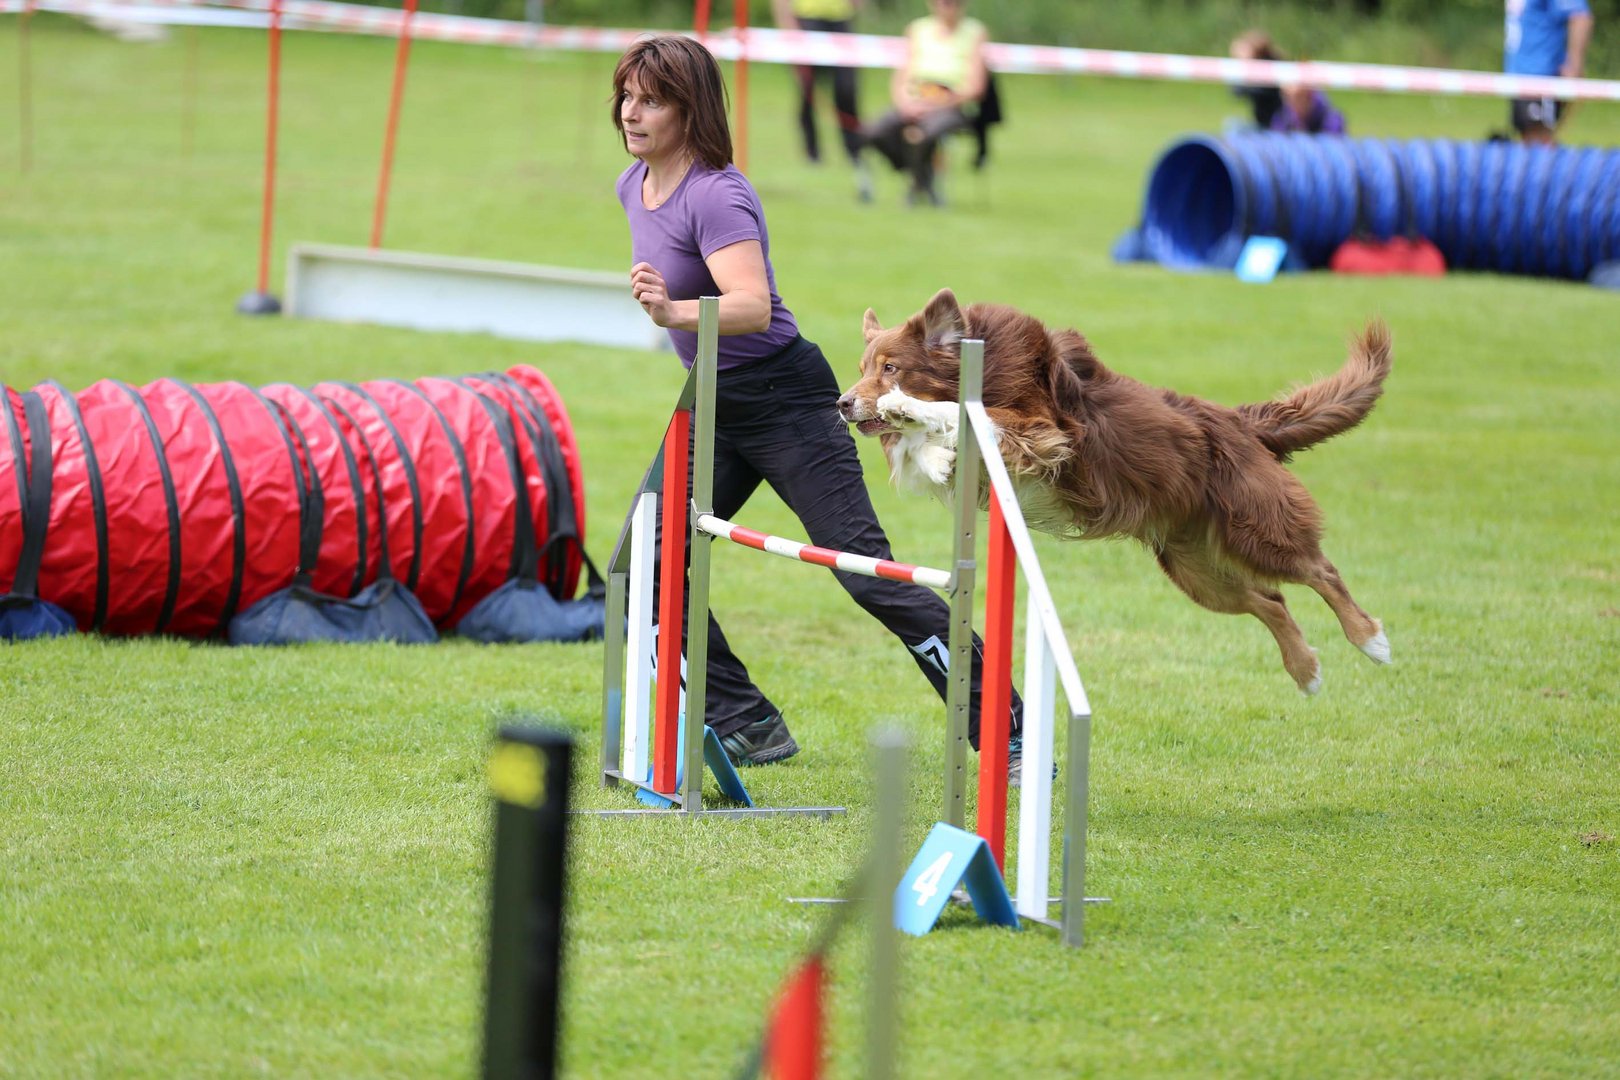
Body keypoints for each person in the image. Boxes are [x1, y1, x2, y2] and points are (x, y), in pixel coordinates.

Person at [610, 35, 1026, 776]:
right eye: (627, 96)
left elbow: (753, 305)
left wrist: (674, 312)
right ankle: (746, 720)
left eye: (651, 100)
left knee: (869, 576)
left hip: (785, 396)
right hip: (712, 400)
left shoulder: (717, 191)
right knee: (644, 559)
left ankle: (1006, 726)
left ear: (690, 109)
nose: (630, 113)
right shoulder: (631, 184)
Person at [861, 0, 989, 206]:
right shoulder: (918, 29)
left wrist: (938, 103)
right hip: (914, 100)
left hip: (951, 105)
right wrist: (906, 103)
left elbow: (975, 87)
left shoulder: (975, 32)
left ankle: (919, 183)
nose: (947, 6)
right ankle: (919, 175)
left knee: (923, 135)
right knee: (874, 131)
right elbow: (901, 75)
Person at [771, 0, 873, 201]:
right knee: (807, 91)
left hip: (840, 20)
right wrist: (789, 27)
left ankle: (854, 151)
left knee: (847, 90)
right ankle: (812, 152)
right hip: (807, 21)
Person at [1505, 0, 1594, 144]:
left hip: (1541, 77)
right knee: (1529, 140)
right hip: (1520, 76)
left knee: (1539, 142)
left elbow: (1580, 17)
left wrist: (1574, 65)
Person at [1229, 30, 1286, 130]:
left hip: (1276, 124)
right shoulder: (1261, 68)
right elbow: (1235, 91)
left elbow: (1257, 91)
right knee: (1233, 123)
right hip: (1262, 121)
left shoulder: (1271, 68)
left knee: (1235, 127)